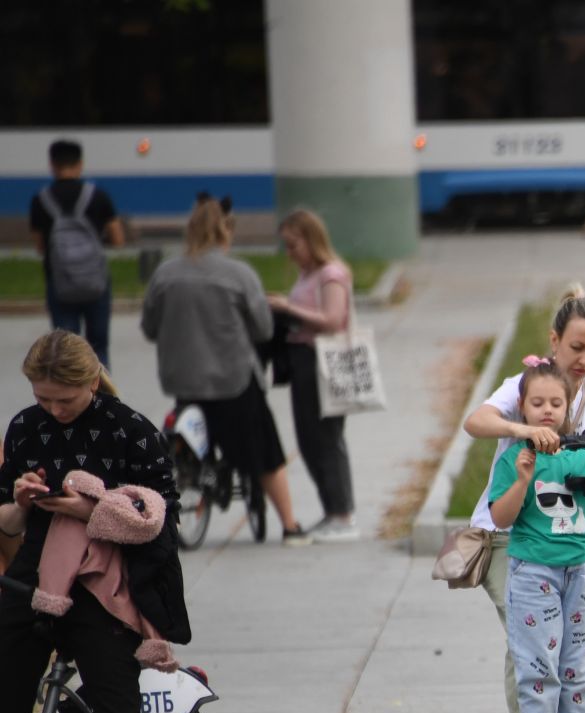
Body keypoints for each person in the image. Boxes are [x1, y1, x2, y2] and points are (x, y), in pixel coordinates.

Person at [1, 331, 186, 713]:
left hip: (105, 588)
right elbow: (5, 518)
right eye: (43, 398)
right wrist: (24, 502)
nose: (52, 410)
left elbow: (160, 520)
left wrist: (91, 512)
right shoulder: (25, 425)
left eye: (65, 399)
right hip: (33, 578)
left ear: (91, 380)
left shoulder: (129, 429)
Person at [462, 287, 585, 713]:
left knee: (572, 654)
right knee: (528, 644)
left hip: (571, 546)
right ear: (554, 341)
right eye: (577, 348)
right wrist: (523, 428)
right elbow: (475, 422)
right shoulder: (527, 386)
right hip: (511, 537)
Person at [140, 196, 308, 544]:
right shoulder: (239, 274)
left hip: (183, 379)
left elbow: (150, 327)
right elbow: (263, 329)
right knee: (264, 449)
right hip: (233, 380)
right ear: (225, 232)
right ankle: (290, 525)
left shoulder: (165, 273)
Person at [487, 360, 585, 713]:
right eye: (538, 403)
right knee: (538, 664)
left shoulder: (582, 454)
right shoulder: (518, 456)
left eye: (556, 402)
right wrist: (522, 480)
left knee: (579, 665)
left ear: (569, 405)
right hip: (534, 571)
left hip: (580, 570)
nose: (547, 410)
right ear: (523, 406)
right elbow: (501, 517)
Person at [268, 209, 360, 542]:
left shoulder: (330, 274)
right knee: (309, 439)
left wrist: (288, 308)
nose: (290, 253)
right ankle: (332, 510)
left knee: (326, 439)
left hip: (323, 360)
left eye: (294, 245)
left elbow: (333, 319)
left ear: (310, 240)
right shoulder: (308, 273)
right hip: (303, 359)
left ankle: (343, 513)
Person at [28, 140, 124, 371]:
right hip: (96, 282)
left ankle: (69, 400)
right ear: (80, 164)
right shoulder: (98, 196)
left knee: (65, 350)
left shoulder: (40, 200)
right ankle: (102, 398)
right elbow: (118, 239)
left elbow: (40, 246)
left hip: (59, 283)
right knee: (98, 346)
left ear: (52, 165)